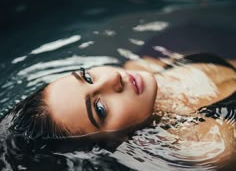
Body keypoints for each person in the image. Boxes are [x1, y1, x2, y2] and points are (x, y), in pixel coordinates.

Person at [6, 52, 236, 164]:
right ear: (116, 140)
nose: (113, 78)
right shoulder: (211, 143)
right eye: (101, 109)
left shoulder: (142, 66)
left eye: (87, 77)